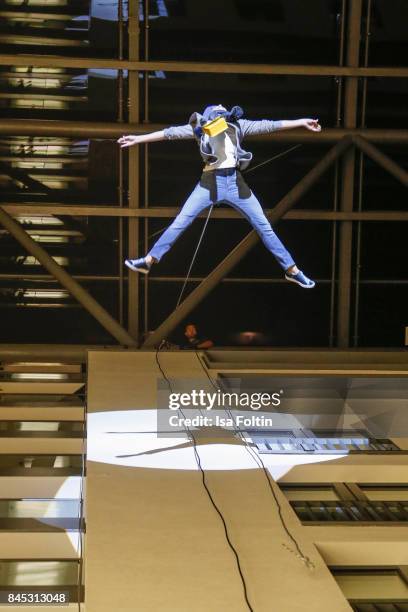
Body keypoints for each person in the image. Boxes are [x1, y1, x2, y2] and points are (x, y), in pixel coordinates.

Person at [118, 104, 321, 288]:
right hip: (209, 183)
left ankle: (292, 270)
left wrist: (301, 122)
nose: (222, 105)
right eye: (218, 107)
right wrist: (138, 139)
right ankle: (149, 260)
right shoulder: (200, 128)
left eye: (223, 106)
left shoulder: (239, 125)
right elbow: (169, 133)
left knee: (264, 226)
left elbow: (271, 125)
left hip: (234, 183)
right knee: (181, 221)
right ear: (210, 113)